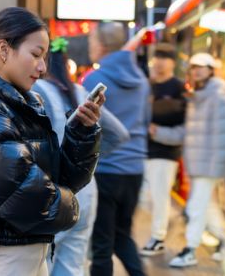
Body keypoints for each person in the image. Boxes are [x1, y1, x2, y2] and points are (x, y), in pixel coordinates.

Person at [0, 7, 104, 276]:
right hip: (2, 261)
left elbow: (63, 179)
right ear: (4, 50)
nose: (42, 67)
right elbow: (29, 200)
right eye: (36, 55)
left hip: (26, 255)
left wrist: (81, 132)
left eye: (45, 57)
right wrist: (74, 207)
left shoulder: (18, 106)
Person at [32, 37, 130, 276]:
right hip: (86, 193)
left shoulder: (36, 92)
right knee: (73, 268)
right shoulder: (80, 91)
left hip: (52, 194)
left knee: (41, 266)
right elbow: (119, 134)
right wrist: (85, 160)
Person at [150, 52, 225, 268]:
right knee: (207, 207)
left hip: (208, 164)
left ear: (210, 70)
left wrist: (216, 166)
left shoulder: (217, 95)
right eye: (193, 67)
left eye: (201, 67)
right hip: (197, 163)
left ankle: (190, 250)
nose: (196, 71)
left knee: (196, 207)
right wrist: (157, 132)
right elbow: (186, 133)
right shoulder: (198, 96)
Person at [84, 22, 150, 276]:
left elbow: (86, 126)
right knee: (123, 235)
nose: (90, 48)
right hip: (134, 170)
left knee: (101, 245)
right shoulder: (142, 81)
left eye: (91, 42)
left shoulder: (93, 80)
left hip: (105, 170)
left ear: (101, 46)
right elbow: (145, 120)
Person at [140, 43, 186, 256]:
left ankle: (158, 237)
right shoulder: (146, 85)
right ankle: (165, 225)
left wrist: (157, 130)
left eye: (164, 58)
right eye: (156, 57)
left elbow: (185, 123)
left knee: (158, 196)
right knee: (144, 197)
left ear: (173, 63)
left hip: (166, 152)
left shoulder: (178, 87)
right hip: (143, 150)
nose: (159, 62)